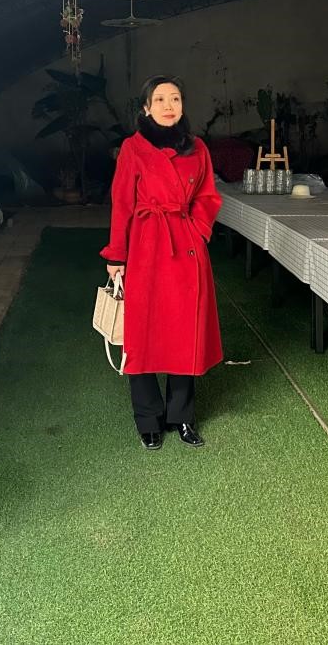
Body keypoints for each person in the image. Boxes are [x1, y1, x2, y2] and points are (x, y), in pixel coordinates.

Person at [101, 75, 224, 450]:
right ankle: (148, 419)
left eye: (175, 99)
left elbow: (208, 195)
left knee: (185, 332)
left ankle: (181, 417)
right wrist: (117, 255)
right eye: (159, 99)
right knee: (141, 335)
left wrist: (197, 230)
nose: (168, 106)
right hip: (146, 248)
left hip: (186, 248)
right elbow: (122, 203)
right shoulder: (133, 148)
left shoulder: (197, 148)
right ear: (146, 107)